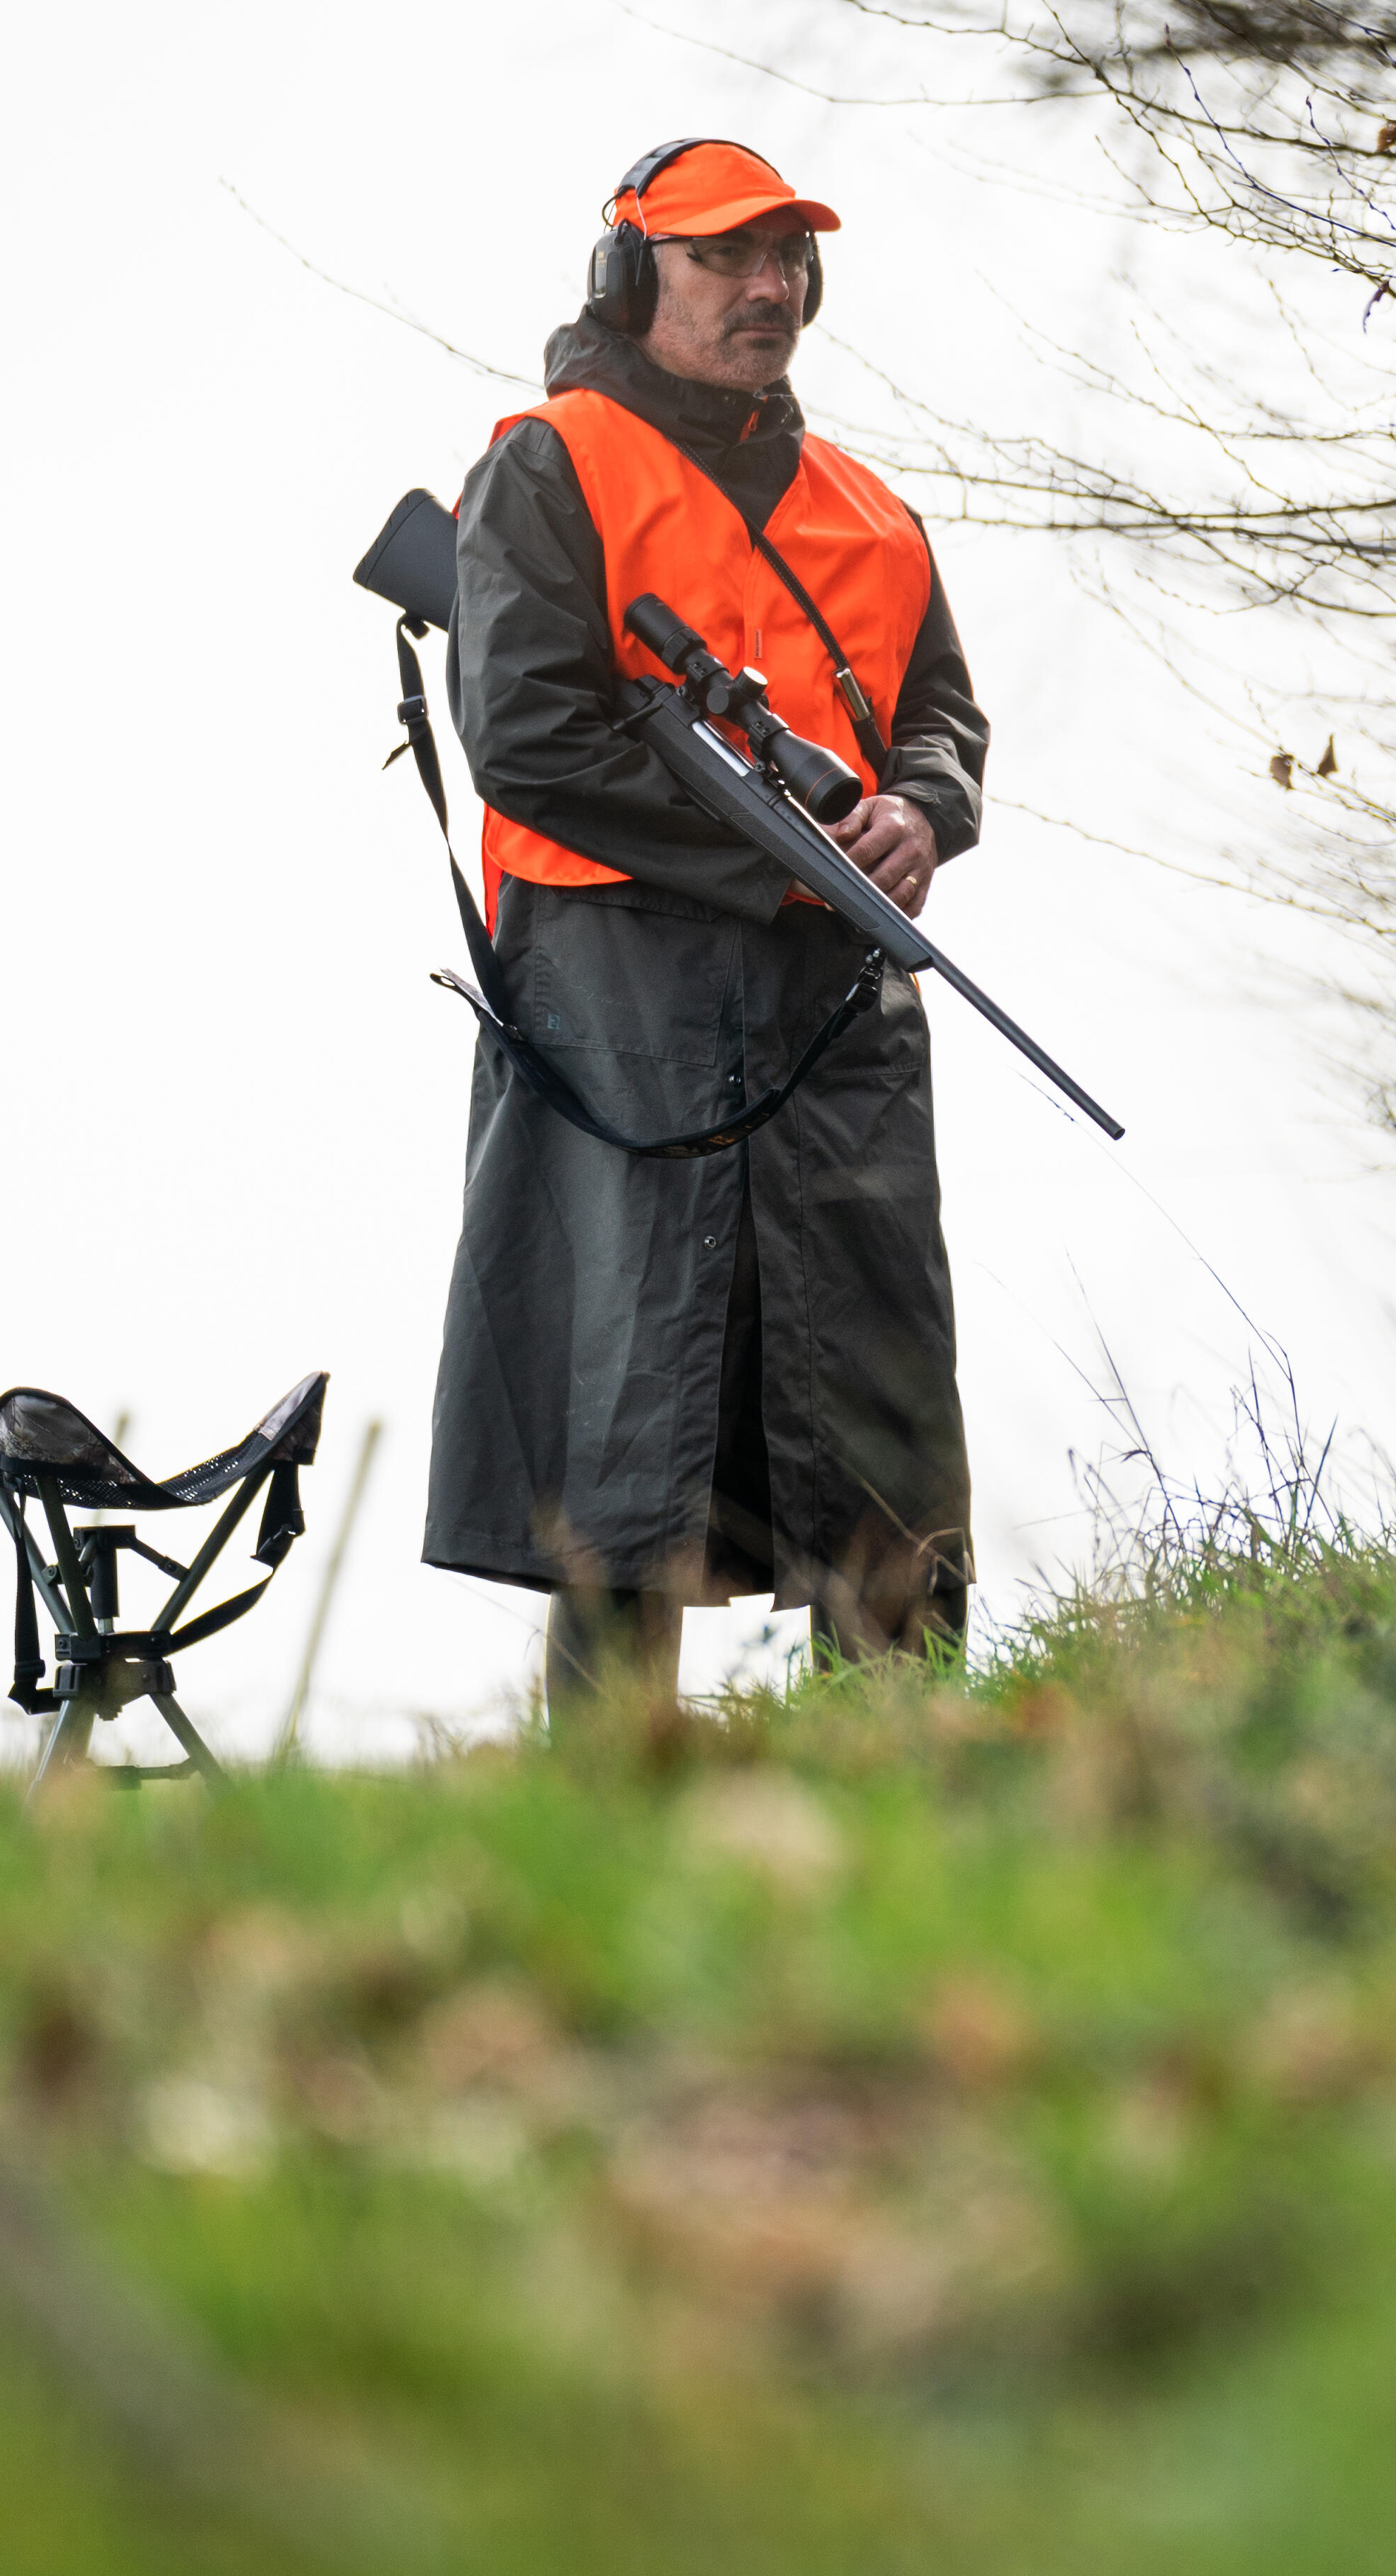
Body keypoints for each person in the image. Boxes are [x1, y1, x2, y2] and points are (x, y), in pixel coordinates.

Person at [420, 138, 985, 1715]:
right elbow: (531, 740)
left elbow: (941, 717)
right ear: (631, 277)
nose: (770, 287)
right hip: (619, 992)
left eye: (789, 258)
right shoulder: (550, 462)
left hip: (837, 1009)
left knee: (878, 1388)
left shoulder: (873, 510)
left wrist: (917, 813)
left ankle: (909, 1764)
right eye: (726, 257)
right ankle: (608, 1789)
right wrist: (779, 860)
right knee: (628, 1398)